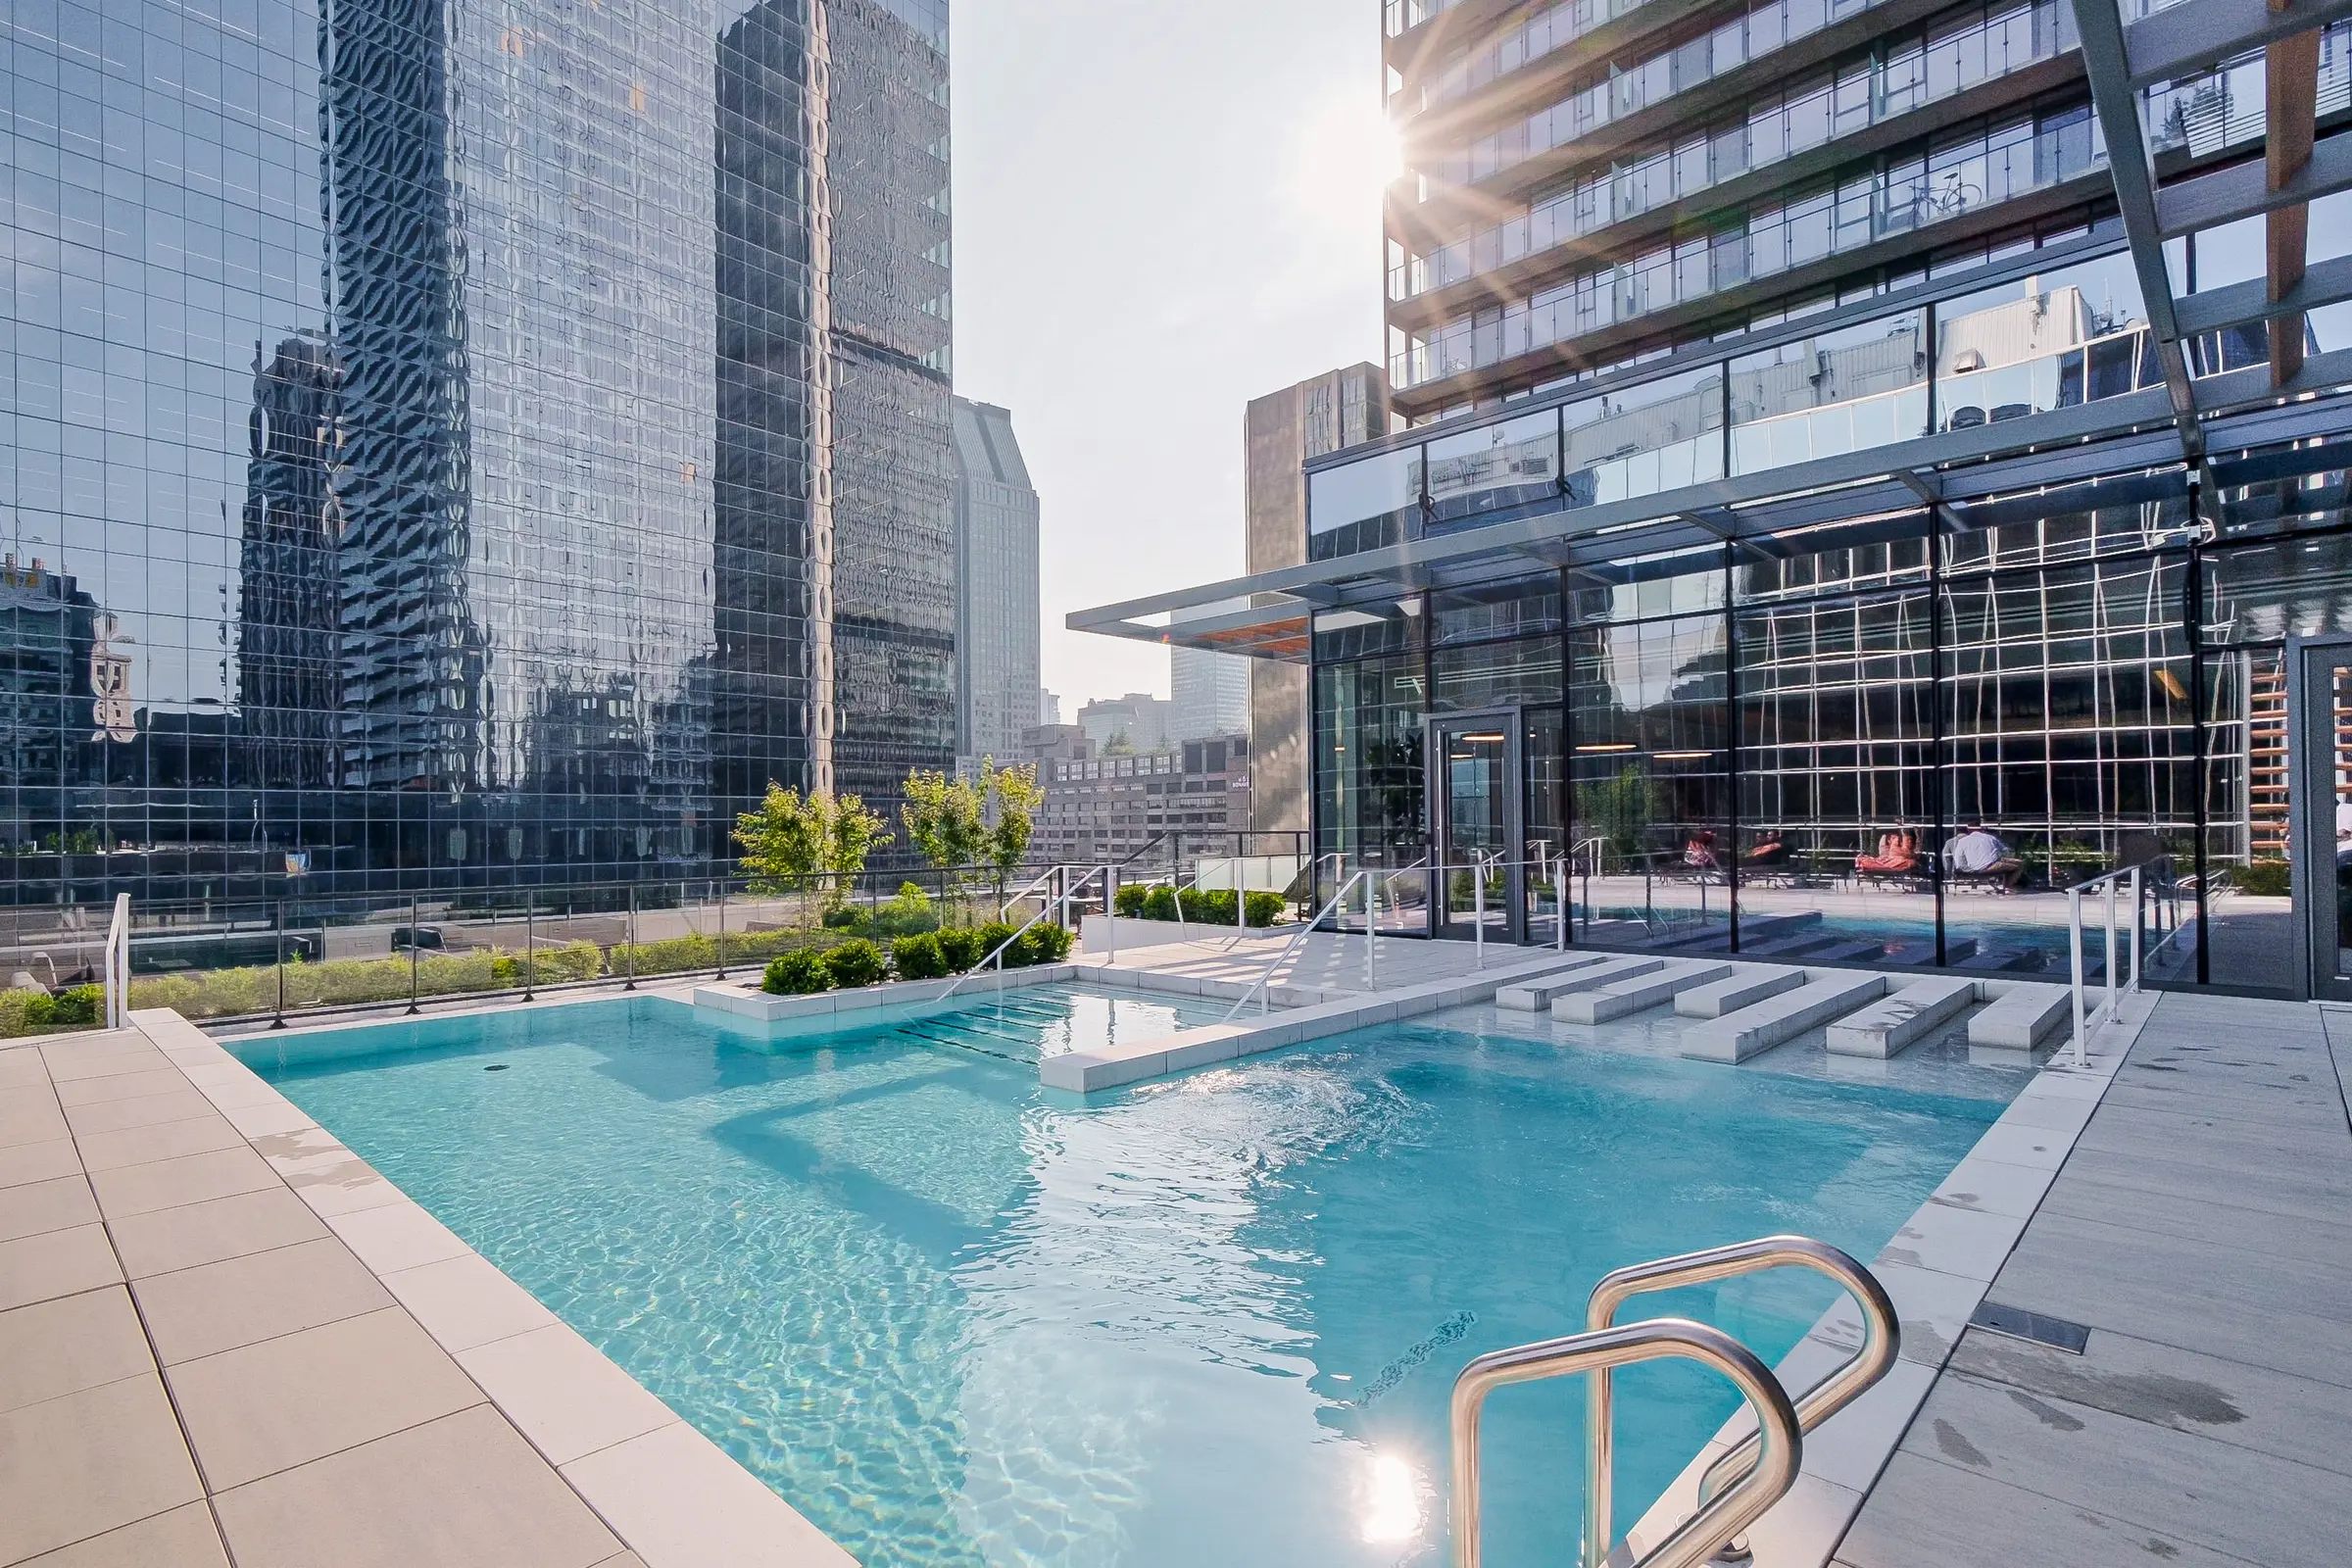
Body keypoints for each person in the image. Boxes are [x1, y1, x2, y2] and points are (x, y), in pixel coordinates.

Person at [1947, 823, 2026, 889]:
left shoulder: (1962, 841)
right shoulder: (1991, 838)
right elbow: (2006, 850)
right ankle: (2008, 887)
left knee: (2012, 862)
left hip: (1974, 867)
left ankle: (2007, 884)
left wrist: (1966, 869)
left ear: (1968, 830)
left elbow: (1959, 860)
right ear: (1981, 828)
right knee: (2019, 865)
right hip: (1990, 866)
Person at [1855, 830, 1920, 875]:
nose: (1909, 842)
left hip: (1896, 860)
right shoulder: (1895, 843)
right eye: (1892, 838)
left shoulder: (1901, 845)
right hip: (1894, 860)